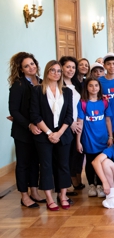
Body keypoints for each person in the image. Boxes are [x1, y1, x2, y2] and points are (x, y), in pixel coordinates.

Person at [31, 60, 74, 211]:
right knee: (46, 166)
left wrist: (59, 133)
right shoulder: (37, 90)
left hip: (63, 133)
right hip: (44, 135)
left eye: (58, 71)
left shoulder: (67, 91)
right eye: (53, 70)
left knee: (63, 165)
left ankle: (62, 195)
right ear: (47, 72)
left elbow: (69, 116)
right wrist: (49, 133)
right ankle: (49, 197)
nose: (56, 73)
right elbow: (35, 115)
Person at [8, 52, 44, 207]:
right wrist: (29, 125)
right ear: (21, 69)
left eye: (32, 63)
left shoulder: (42, 82)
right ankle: (24, 195)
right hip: (23, 131)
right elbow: (14, 111)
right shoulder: (18, 85)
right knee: (23, 163)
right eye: (26, 66)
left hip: (39, 130)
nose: (31, 67)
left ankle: (34, 191)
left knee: (36, 162)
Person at [77, 77, 113, 198]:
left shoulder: (104, 102)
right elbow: (80, 123)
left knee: (101, 161)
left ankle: (100, 185)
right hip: (88, 138)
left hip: (102, 138)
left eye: (96, 85)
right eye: (91, 85)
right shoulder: (82, 103)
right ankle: (92, 185)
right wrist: (78, 141)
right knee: (90, 161)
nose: (93, 88)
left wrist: (111, 137)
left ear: (99, 87)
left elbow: (108, 120)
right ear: (86, 87)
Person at [60, 56, 83, 192]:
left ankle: (74, 180)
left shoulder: (75, 84)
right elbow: (59, 109)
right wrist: (71, 123)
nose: (71, 70)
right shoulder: (59, 85)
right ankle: (65, 185)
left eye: (73, 67)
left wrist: (77, 122)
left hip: (77, 124)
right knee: (65, 156)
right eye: (68, 66)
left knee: (76, 154)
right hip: (66, 124)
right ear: (61, 67)